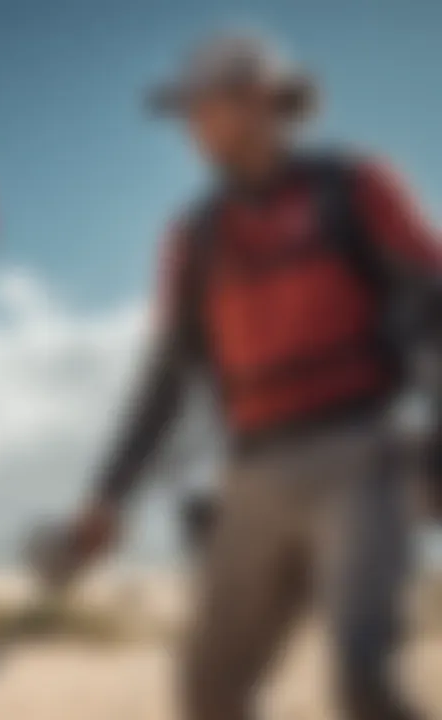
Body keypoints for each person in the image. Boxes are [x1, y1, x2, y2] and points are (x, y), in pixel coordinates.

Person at [59, 34, 442, 720]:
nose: (191, 126)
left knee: (365, 681)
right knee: (209, 690)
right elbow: (166, 383)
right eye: (187, 112)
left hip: (363, 457)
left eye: (204, 106)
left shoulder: (356, 188)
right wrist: (107, 497)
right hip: (253, 476)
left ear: (261, 100)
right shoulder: (193, 236)